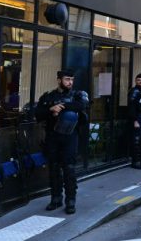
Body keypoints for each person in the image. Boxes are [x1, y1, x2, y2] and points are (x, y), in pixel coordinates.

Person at [35, 69, 89, 214]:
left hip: (70, 137)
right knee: (53, 168)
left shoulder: (77, 95)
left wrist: (62, 107)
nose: (70, 82)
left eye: (72, 79)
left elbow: (82, 106)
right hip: (52, 136)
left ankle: (70, 201)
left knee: (69, 169)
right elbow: (37, 113)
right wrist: (50, 109)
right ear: (59, 80)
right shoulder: (49, 96)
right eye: (67, 79)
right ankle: (56, 198)